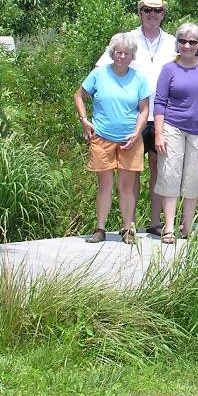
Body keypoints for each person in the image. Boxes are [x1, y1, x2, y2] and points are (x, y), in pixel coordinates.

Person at [95, 0, 175, 236]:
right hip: (133, 118)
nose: (152, 15)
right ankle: (128, 224)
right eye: (147, 10)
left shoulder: (173, 42)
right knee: (133, 173)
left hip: (164, 115)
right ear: (140, 12)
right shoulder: (126, 39)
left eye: (157, 10)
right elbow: (102, 69)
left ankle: (154, 222)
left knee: (159, 170)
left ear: (163, 13)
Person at [76, 33, 151, 244]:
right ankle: (99, 228)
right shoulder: (99, 74)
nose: (122, 57)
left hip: (130, 139)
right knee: (105, 185)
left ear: (132, 56)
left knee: (127, 186)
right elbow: (79, 96)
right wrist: (84, 120)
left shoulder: (139, 78)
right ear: (112, 53)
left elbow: (145, 110)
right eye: (119, 52)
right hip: (102, 137)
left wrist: (137, 133)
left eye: (127, 53)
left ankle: (127, 229)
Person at [153, 23, 198, 245]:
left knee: (193, 178)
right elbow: (159, 102)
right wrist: (158, 133)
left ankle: (187, 227)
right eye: (183, 41)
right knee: (170, 175)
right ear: (177, 44)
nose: (187, 45)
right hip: (172, 127)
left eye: (192, 41)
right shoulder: (168, 69)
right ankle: (169, 228)